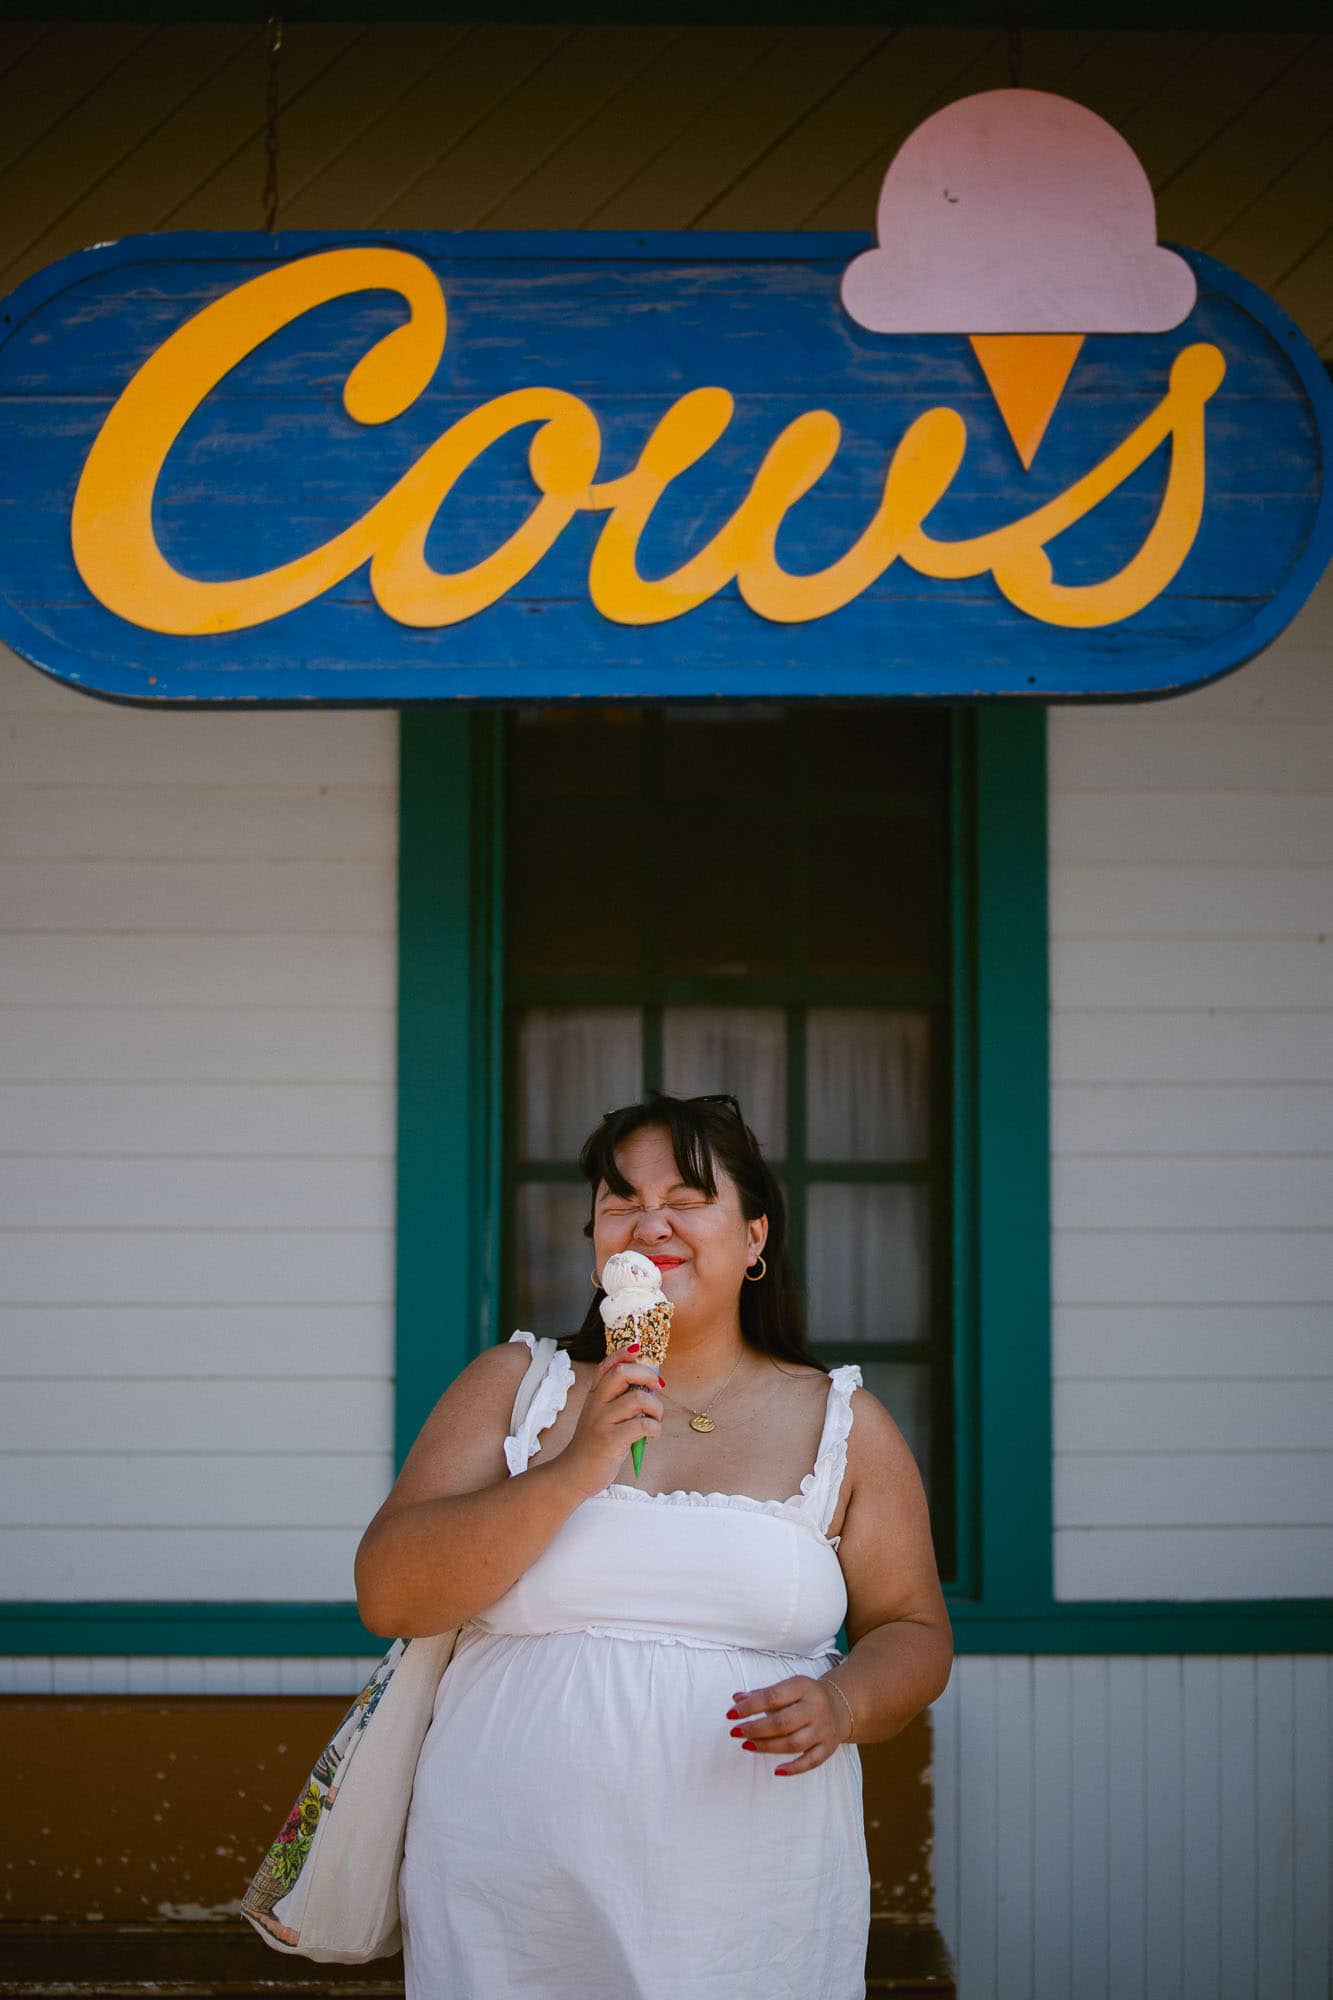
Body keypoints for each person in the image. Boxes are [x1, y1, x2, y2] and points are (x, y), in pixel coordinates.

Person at [355, 1091, 953, 1999]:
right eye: (621, 1202)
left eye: (686, 1198)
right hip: (510, 1887)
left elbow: (913, 1629)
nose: (650, 1224)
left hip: (747, 1895)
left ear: (754, 1237)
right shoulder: (517, 1385)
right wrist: (572, 1470)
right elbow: (389, 1595)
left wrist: (842, 1702)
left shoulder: (844, 1422)